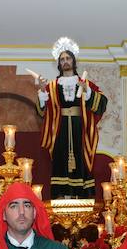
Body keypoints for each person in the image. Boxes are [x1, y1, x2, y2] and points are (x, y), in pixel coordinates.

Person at [36, 37, 108, 199]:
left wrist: (87, 91)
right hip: (60, 127)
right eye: (62, 59)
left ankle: (82, 195)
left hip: (80, 127)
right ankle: (62, 195)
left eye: (68, 58)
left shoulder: (84, 83)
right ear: (59, 63)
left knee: (81, 158)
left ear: (73, 61)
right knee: (60, 159)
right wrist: (42, 93)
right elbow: (42, 111)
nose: (65, 61)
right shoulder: (53, 86)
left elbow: (102, 102)